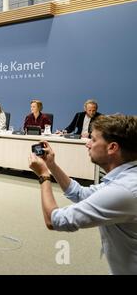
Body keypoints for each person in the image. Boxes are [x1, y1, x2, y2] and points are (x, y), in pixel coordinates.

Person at [28, 114, 137, 275]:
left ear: (112, 147)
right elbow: (79, 193)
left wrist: (44, 176)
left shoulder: (123, 190)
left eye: (93, 139)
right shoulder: (126, 178)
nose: (87, 144)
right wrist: (51, 165)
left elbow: (54, 220)